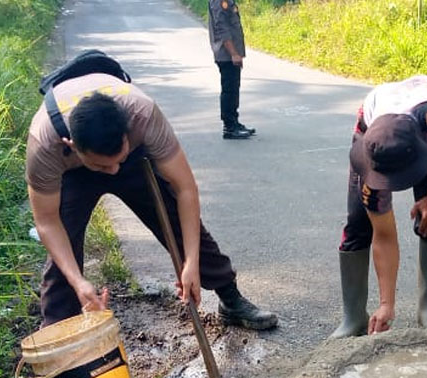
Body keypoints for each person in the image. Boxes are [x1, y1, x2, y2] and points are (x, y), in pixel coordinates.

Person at [26, 72, 277, 330]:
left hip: (135, 161)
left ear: (128, 132)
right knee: (64, 240)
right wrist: (78, 281)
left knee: (174, 217)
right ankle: (59, 331)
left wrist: (190, 263)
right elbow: (47, 223)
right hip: (74, 173)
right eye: (103, 166)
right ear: (72, 145)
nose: (114, 171)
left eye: (117, 161)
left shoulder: (143, 115)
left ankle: (230, 299)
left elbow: (185, 190)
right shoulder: (45, 144)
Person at [331, 75, 427, 338]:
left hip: (426, 124)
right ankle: (353, 317)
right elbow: (384, 236)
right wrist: (387, 305)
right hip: (374, 124)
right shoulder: (370, 152)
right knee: (358, 224)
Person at [208, 0, 254, 140]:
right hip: (226, 53)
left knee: (234, 88)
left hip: (230, 53)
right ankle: (229, 127)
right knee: (229, 89)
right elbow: (222, 28)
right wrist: (233, 53)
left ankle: (234, 122)